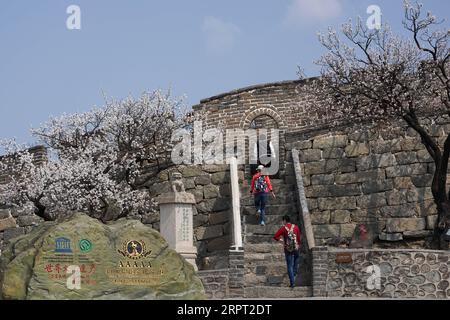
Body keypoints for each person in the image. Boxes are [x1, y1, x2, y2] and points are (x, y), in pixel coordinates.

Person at [273, 215, 301, 288]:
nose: (283, 222)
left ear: (285, 220)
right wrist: (298, 245)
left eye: (283, 221)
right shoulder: (296, 227)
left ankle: (292, 283)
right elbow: (298, 238)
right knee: (297, 258)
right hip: (295, 247)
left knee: (289, 266)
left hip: (288, 249)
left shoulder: (283, 228)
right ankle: (294, 271)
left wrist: (281, 240)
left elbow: (275, 236)